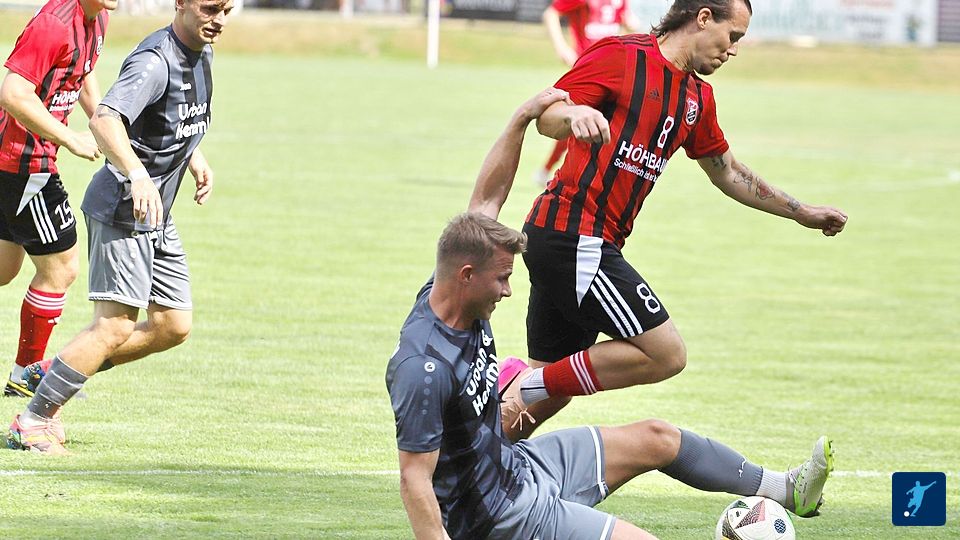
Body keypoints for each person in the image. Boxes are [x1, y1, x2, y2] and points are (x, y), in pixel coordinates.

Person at [386, 88, 835, 539]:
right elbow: (414, 481)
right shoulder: (423, 366)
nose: (508, 290)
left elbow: (485, 202)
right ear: (466, 276)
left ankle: (786, 489)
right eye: (501, 278)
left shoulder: (450, 284)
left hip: (520, 467)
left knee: (658, 438)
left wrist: (521, 118)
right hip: (503, 515)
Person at [500, 0, 848, 476]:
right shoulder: (620, 55)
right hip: (573, 235)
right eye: (733, 36)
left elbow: (727, 171)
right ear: (703, 18)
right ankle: (523, 384)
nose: (733, 50)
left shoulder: (697, 98)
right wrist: (575, 114)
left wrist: (800, 211)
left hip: (576, 240)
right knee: (665, 354)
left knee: (551, 390)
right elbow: (549, 115)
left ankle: (467, 462)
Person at [6, 0, 234, 454]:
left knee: (172, 325)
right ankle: (32, 420)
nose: (219, 20)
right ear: (181, 4)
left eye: (227, 10)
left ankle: (52, 371)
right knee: (111, 325)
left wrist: (193, 156)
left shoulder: (200, 51)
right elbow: (106, 118)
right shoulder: (154, 60)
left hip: (157, 212)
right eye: (211, 8)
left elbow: (168, 119)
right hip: (122, 208)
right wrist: (135, 172)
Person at [0, 0, 114, 397]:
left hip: (17, 162)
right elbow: (13, 93)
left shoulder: (98, 16)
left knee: (4, 270)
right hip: (23, 164)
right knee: (61, 268)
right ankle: (24, 378)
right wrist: (69, 138)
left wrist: (101, 120)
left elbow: (81, 70)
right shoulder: (53, 23)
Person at [535, 0, 642, 185]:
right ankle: (553, 173)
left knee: (610, 123)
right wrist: (562, 48)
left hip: (613, 71)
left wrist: (633, 25)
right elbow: (551, 14)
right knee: (576, 122)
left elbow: (626, 21)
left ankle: (561, 174)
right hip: (588, 71)